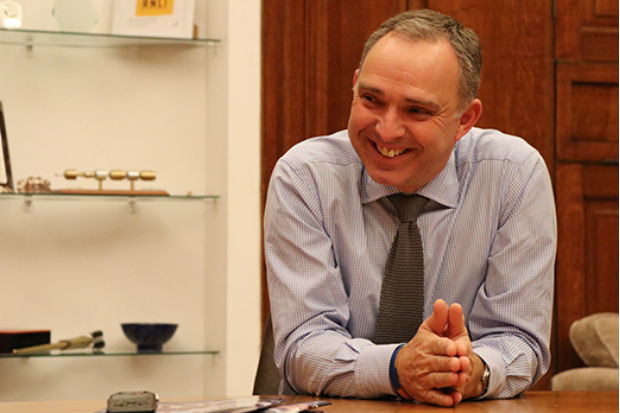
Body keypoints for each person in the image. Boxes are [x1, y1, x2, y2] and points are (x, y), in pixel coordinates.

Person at [263, 9, 556, 408]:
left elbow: (519, 339)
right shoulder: (305, 177)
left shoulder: (513, 175)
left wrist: (472, 371)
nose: (386, 129)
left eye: (416, 110)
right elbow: (303, 346)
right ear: (354, 88)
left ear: (464, 119)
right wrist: (398, 368)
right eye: (371, 99)